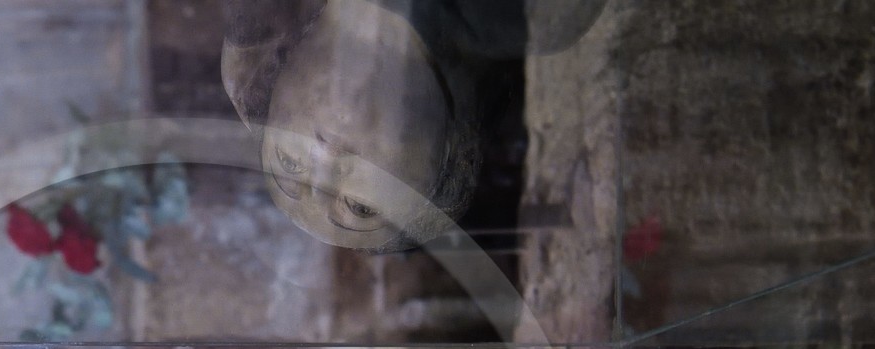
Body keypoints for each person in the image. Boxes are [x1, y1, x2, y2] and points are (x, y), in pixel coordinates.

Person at [225, 0, 606, 250]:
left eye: (290, 165)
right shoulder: (542, 13)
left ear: (272, 84)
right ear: (447, 162)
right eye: (358, 206)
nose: (325, 160)